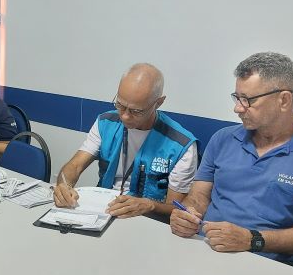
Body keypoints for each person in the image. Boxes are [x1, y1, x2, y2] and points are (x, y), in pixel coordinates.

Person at [169, 52, 293, 273]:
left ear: (284, 100)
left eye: (248, 100)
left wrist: (252, 240)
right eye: (236, 97)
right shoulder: (223, 139)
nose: (238, 108)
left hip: (278, 270)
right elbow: (199, 197)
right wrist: (188, 214)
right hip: (207, 254)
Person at [53, 63, 199, 220]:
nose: (125, 116)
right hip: (102, 212)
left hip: (146, 220)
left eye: (136, 111)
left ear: (158, 103)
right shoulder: (105, 123)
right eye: (120, 105)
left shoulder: (181, 145)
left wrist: (149, 205)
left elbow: (176, 208)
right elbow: (74, 166)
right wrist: (64, 185)